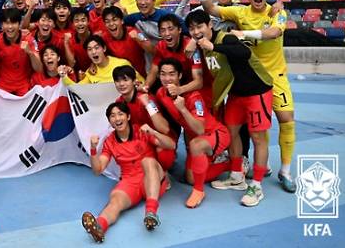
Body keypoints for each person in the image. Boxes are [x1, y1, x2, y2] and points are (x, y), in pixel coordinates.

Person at [200, 0, 296, 193]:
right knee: (251, 129)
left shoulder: (277, 12)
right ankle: (255, 168)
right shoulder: (239, 12)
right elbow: (210, 8)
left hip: (273, 77)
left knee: (286, 120)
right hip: (248, 78)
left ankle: (286, 171)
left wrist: (244, 34)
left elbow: (275, 33)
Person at [185, 9, 274, 207]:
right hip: (236, 95)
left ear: (210, 25)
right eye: (192, 29)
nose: (196, 31)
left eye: (199, 26)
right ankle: (236, 175)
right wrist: (196, 41)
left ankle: (257, 185)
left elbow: (244, 52)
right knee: (231, 132)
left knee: (258, 137)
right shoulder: (202, 45)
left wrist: (213, 45)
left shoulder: (226, 38)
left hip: (257, 92)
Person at [81, 102, 174, 242]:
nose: (117, 119)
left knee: (147, 161)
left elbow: (171, 145)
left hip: (152, 177)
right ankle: (99, 226)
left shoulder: (141, 132)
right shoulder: (110, 142)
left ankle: (151, 213)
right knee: (115, 201)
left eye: (120, 114)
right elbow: (98, 170)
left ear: (128, 116)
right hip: (130, 181)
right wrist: (93, 150)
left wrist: (153, 132)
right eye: (112, 116)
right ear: (110, 122)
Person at [153, 58, 230, 208]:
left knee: (195, 145)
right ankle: (230, 164)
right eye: (163, 74)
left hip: (217, 134)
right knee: (190, 178)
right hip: (198, 140)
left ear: (180, 76)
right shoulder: (161, 93)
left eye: (171, 74)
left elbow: (200, 129)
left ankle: (199, 191)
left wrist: (183, 109)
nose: (167, 79)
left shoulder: (194, 97)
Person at [0, 8, 42, 96]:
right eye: (7, 23)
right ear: (2, 25)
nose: (10, 27)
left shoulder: (28, 38)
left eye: (13, 23)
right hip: (4, 83)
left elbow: (39, 68)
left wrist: (30, 53)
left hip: (24, 83)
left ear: (19, 24)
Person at [68, 35, 132, 84]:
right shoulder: (90, 73)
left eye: (96, 48)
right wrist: (65, 75)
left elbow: (139, 83)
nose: (93, 52)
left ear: (104, 48)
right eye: (89, 49)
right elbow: (76, 89)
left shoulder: (122, 64)